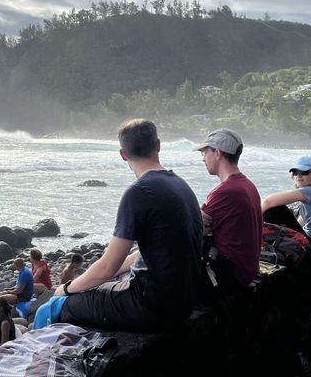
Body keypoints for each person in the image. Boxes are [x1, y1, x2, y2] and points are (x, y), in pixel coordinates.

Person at [51, 119, 203, 331]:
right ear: (158, 145)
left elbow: (106, 268)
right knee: (99, 287)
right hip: (184, 302)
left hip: (152, 306)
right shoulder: (180, 184)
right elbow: (150, 252)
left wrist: (66, 289)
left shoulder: (139, 192)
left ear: (123, 154)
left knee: (57, 306)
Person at [196, 129, 262, 292]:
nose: (203, 158)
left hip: (230, 275)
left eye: (204, 152)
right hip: (246, 269)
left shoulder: (226, 191)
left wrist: (193, 217)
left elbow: (193, 230)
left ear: (217, 153)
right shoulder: (247, 185)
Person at [261, 155, 311, 269]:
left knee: (275, 210)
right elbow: (299, 224)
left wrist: (249, 221)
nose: (298, 176)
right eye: (295, 172)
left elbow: (269, 201)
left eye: (304, 172)